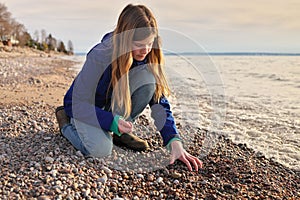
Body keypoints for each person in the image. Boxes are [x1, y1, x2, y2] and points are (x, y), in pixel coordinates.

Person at [55, 4, 202, 171]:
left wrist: (173, 141)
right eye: (139, 44)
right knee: (100, 150)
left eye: (149, 43)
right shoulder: (99, 55)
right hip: (83, 108)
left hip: (111, 105)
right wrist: (110, 121)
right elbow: (75, 103)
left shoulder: (148, 53)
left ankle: (120, 133)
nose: (145, 50)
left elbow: (158, 100)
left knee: (149, 79)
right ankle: (66, 124)